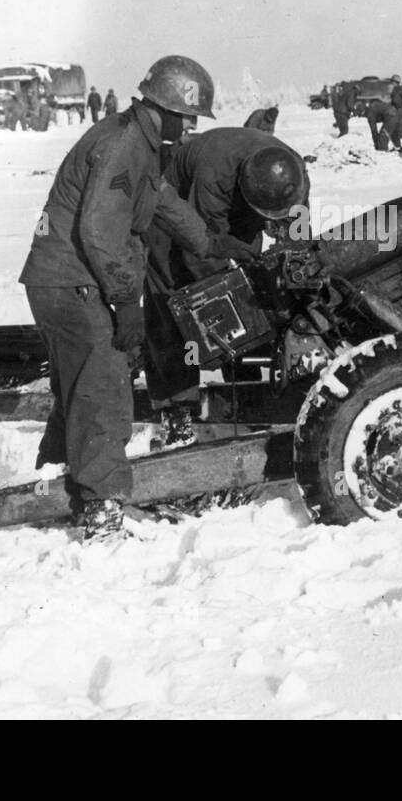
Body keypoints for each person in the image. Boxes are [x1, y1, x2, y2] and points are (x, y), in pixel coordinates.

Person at [19, 55, 255, 539]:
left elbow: (164, 201)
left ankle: (56, 473)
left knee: (82, 380)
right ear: (163, 108)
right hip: (71, 279)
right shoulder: (126, 143)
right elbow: (100, 231)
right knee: (104, 382)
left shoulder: (143, 144)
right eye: (187, 116)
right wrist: (128, 302)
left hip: (63, 278)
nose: (191, 127)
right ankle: (101, 508)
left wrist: (211, 243)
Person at [143, 128, 309, 426]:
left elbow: (298, 237)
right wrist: (226, 301)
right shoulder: (213, 172)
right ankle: (176, 407)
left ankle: (245, 380)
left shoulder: (292, 173)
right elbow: (201, 248)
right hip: (173, 216)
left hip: (240, 213)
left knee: (254, 289)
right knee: (171, 304)